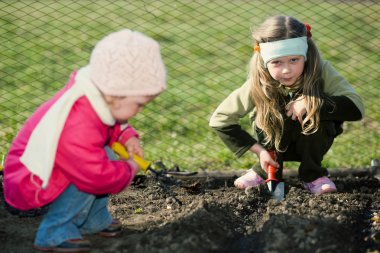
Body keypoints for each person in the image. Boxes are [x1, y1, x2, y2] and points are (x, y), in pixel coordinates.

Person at [3, 29, 166, 252]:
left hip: (54, 166)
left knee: (105, 156)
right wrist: (129, 169)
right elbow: (95, 177)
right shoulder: (78, 123)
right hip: (31, 180)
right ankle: (54, 231)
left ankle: (94, 220)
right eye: (139, 104)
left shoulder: (96, 98)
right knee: (90, 174)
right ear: (114, 94)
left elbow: (108, 121)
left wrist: (126, 135)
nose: (138, 111)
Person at [209, 15, 364, 195]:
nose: (286, 70)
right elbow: (220, 119)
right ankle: (265, 171)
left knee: (314, 110)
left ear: (305, 55)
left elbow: (356, 107)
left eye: (294, 60)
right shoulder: (258, 83)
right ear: (265, 60)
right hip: (271, 142)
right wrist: (260, 152)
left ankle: (312, 175)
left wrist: (312, 102)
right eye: (276, 62)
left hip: (311, 141)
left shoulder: (321, 71)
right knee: (267, 112)